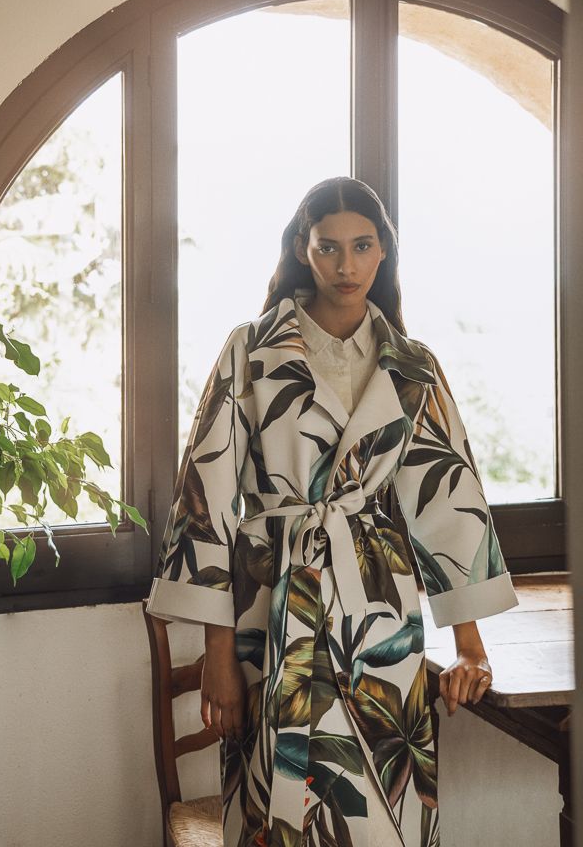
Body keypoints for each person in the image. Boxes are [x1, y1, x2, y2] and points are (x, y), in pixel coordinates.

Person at [146, 176, 519, 847]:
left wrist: (471, 648)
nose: (347, 266)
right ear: (302, 249)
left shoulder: (413, 367)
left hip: (380, 614)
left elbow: (449, 502)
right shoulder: (251, 351)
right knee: (274, 802)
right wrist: (217, 656)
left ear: (385, 251)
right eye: (329, 247)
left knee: (380, 807)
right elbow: (206, 500)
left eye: (363, 246)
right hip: (272, 599)